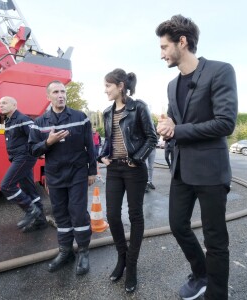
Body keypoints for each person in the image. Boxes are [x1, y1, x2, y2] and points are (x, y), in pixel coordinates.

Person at [156, 15, 238, 300]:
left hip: (211, 171)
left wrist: (178, 129)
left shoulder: (220, 71)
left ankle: (216, 294)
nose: (162, 53)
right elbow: (175, 123)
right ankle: (202, 274)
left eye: (165, 46)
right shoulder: (171, 85)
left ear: (182, 41)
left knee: (215, 239)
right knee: (178, 226)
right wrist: (167, 128)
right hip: (181, 170)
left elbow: (226, 123)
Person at [28, 80, 97, 275]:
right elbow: (32, 150)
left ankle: (83, 251)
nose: (61, 95)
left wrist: (92, 171)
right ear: (48, 97)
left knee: (77, 212)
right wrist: (47, 142)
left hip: (77, 173)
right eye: (56, 92)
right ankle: (66, 251)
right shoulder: (39, 123)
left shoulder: (80, 117)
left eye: (63, 91)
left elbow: (89, 147)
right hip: (55, 175)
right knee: (60, 213)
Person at [98, 68, 157, 293]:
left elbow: (152, 138)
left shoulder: (139, 107)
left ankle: (131, 267)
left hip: (134, 170)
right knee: (112, 215)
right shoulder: (106, 112)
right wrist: (102, 155)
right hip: (114, 169)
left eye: (107, 86)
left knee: (135, 216)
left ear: (120, 86)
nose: (105, 91)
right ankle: (121, 258)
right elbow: (109, 140)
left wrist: (136, 159)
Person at [0, 96, 47, 233]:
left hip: (24, 157)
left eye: (4, 103)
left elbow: (35, 135)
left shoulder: (22, 119)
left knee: (6, 186)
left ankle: (31, 210)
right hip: (17, 157)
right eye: (0, 103)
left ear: (14, 105)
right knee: (29, 189)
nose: (1, 105)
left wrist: (41, 150)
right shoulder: (9, 121)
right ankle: (41, 222)